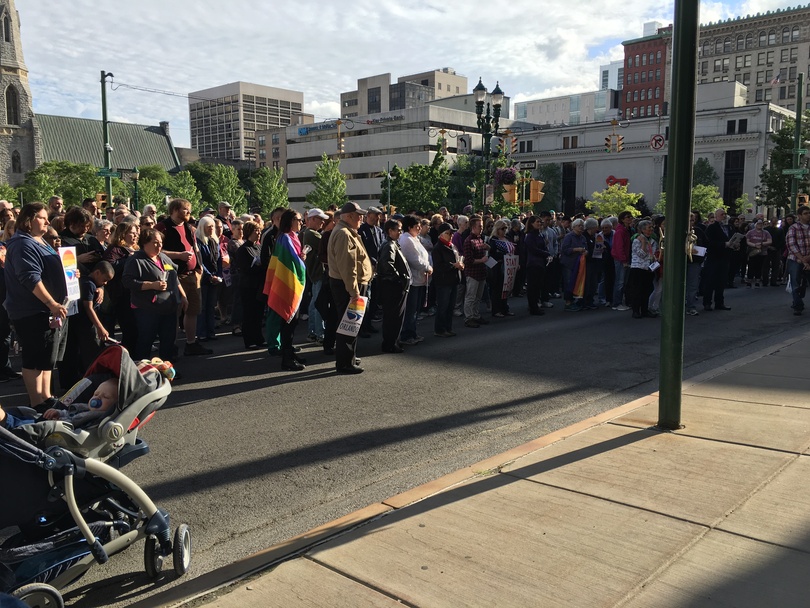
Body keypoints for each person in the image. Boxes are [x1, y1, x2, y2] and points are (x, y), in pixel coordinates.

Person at [3, 203, 69, 409]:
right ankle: (37, 401)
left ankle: (47, 396)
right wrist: (51, 303)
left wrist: (69, 273)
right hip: (31, 310)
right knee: (34, 355)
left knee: (46, 355)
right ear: (28, 220)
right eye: (42, 218)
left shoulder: (38, 240)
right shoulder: (23, 244)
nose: (47, 222)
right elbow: (30, 278)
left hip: (45, 310)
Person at [122, 228, 188, 362]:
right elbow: (127, 282)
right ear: (145, 243)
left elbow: (173, 277)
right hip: (147, 308)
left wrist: (183, 295)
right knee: (146, 340)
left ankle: (167, 371)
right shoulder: (136, 260)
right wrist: (152, 285)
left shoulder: (163, 257)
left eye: (160, 242)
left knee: (168, 340)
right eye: (155, 243)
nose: (159, 246)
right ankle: (143, 371)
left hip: (168, 306)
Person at [156, 199, 210, 355]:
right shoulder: (163, 227)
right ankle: (170, 346)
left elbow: (195, 249)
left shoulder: (189, 227)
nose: (188, 212)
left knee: (193, 310)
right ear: (174, 210)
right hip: (175, 276)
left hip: (193, 275)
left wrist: (199, 268)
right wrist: (178, 255)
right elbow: (156, 250)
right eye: (185, 209)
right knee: (175, 312)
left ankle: (191, 343)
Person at [327, 202, 373, 374]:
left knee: (351, 324)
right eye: (358, 215)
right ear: (348, 217)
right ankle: (345, 362)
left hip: (348, 285)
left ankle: (349, 357)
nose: (361, 218)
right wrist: (354, 292)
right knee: (348, 324)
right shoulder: (344, 234)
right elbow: (348, 267)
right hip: (348, 286)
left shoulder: (346, 232)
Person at [264, 209, 307, 371]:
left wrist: (301, 258)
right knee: (288, 322)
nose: (301, 222)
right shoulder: (284, 239)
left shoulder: (293, 237)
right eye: (298, 219)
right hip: (287, 285)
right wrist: (301, 260)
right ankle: (287, 359)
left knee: (292, 322)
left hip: (292, 283)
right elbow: (290, 262)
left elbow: (295, 259)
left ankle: (290, 354)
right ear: (289, 221)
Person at [102, 222, 139, 352]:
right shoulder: (114, 249)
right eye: (132, 233)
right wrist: (128, 259)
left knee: (136, 328)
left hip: (135, 294)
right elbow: (109, 267)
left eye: (136, 233)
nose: (135, 236)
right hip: (121, 295)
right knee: (129, 328)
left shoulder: (136, 248)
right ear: (123, 234)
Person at [375, 218, 411, 353]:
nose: (401, 232)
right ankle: (390, 343)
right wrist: (399, 279)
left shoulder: (392, 244)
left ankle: (393, 341)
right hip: (392, 287)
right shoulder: (389, 245)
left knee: (395, 317)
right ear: (390, 231)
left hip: (393, 286)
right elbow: (387, 264)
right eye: (398, 230)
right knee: (393, 317)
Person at [398, 214, 432, 345]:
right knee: (411, 309)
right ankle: (407, 335)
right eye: (417, 226)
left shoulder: (414, 239)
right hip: (413, 280)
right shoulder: (407, 240)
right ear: (409, 227)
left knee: (415, 309)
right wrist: (428, 267)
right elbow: (415, 260)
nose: (419, 229)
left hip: (420, 279)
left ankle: (412, 332)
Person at [235, 221, 265, 349]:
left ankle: (259, 338)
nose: (258, 234)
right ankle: (249, 340)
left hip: (259, 284)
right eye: (255, 231)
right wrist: (258, 266)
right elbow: (244, 269)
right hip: (248, 286)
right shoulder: (243, 249)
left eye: (259, 231)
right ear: (249, 233)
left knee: (258, 313)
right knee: (249, 313)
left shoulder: (258, 247)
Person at [431, 222, 463, 336]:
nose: (451, 235)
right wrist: (453, 265)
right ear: (441, 235)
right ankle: (440, 329)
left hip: (453, 279)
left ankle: (448, 327)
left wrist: (460, 264)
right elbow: (439, 266)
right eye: (448, 233)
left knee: (450, 306)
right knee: (443, 306)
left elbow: (457, 258)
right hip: (443, 281)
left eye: (452, 233)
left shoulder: (452, 246)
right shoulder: (438, 248)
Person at [195, 215, 224, 342]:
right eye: (208, 227)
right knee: (202, 306)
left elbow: (219, 260)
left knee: (211, 305)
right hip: (203, 278)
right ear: (202, 228)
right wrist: (209, 276)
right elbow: (200, 261)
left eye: (212, 226)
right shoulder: (199, 242)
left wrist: (218, 275)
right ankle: (201, 332)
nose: (211, 229)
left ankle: (211, 332)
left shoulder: (214, 241)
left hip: (214, 277)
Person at [303, 208, 329, 343]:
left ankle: (313, 331)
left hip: (315, 273)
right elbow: (327, 244)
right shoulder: (312, 234)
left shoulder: (310, 233)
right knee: (319, 304)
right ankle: (320, 333)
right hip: (318, 272)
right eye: (320, 219)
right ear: (312, 219)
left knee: (314, 303)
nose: (323, 222)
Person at [703, 208, 735, 312]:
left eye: (725, 214)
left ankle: (719, 302)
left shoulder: (729, 227)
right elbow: (708, 243)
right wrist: (723, 244)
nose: (724, 216)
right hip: (714, 258)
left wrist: (734, 245)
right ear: (716, 216)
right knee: (710, 281)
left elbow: (731, 239)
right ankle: (707, 302)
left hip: (725, 258)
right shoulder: (712, 228)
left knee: (721, 281)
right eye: (722, 214)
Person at [626, 219, 658, 319]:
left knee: (647, 290)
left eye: (652, 227)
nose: (651, 230)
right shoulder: (637, 240)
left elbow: (653, 253)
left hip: (648, 268)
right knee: (637, 290)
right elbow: (642, 254)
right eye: (649, 228)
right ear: (642, 230)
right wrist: (644, 243)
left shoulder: (653, 241)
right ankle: (636, 310)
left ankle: (645, 310)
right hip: (638, 268)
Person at [462, 215, 490, 328]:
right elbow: (468, 260)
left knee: (478, 297)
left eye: (482, 226)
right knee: (471, 296)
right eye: (480, 226)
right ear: (473, 227)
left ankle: (476, 315)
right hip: (473, 273)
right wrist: (481, 260)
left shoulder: (479, 239)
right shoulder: (468, 241)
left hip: (481, 272)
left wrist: (487, 248)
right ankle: (469, 317)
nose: (482, 228)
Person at [486, 219, 515, 317]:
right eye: (503, 228)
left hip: (508, 266)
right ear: (497, 229)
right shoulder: (493, 240)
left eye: (506, 228)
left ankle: (505, 308)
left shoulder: (507, 238)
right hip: (497, 267)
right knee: (497, 289)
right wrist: (503, 256)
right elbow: (493, 253)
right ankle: (496, 309)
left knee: (506, 288)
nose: (505, 230)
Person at [786, 205, 810, 315]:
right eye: (805, 213)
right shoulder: (793, 228)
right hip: (795, 259)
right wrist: (802, 259)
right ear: (799, 216)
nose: (808, 215)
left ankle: (799, 299)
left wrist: (807, 258)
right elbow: (792, 245)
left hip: (808, 258)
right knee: (795, 282)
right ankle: (797, 305)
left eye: (808, 213)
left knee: (804, 283)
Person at [560, 218, 588, 312]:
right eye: (579, 226)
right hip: (569, 263)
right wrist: (576, 249)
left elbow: (586, 248)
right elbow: (565, 249)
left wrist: (585, 252)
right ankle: (568, 302)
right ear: (574, 227)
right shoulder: (569, 236)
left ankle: (576, 300)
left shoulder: (583, 237)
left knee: (577, 281)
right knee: (569, 282)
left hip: (579, 263)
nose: (581, 228)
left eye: (582, 226)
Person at [610, 211, 633, 311]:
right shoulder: (620, 231)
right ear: (622, 219)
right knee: (620, 281)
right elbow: (619, 247)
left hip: (626, 258)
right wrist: (623, 260)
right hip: (620, 259)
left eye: (630, 217)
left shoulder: (628, 230)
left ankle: (619, 301)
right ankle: (616, 303)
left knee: (624, 282)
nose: (630, 219)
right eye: (627, 217)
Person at [745, 219, 772, 288]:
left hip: (762, 252)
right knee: (751, 267)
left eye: (761, 224)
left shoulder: (766, 232)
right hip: (752, 252)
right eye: (758, 224)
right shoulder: (750, 232)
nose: (760, 225)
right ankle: (749, 281)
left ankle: (757, 281)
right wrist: (754, 245)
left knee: (759, 267)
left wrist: (762, 243)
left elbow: (770, 241)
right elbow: (747, 241)